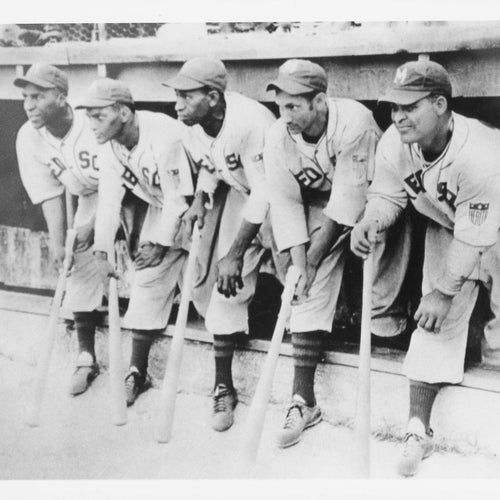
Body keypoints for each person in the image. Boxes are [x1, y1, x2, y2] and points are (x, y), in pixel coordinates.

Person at [351, 59, 500, 476]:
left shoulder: (481, 153)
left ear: (439, 104)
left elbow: (478, 235)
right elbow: (387, 194)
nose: (398, 117)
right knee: (436, 322)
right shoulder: (395, 143)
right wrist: (371, 220)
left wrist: (444, 289)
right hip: (452, 223)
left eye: (409, 107)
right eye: (394, 107)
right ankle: (418, 428)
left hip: (494, 223)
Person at [264, 58, 401, 448]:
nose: (284, 114)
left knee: (380, 280)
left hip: (379, 197)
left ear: (319, 101)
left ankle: (388, 337)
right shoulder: (278, 134)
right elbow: (285, 203)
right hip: (320, 203)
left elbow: (348, 201)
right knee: (302, 285)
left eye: (293, 106)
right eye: (280, 105)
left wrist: (310, 258)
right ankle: (302, 400)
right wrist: (300, 263)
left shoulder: (353, 121)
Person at [163, 58, 276, 432]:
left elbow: (267, 189)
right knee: (222, 286)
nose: (176, 104)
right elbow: (212, 165)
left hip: (287, 200)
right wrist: (199, 197)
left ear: (213, 96)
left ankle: (299, 395)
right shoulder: (195, 126)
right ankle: (223, 386)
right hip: (248, 195)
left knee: (297, 281)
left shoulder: (250, 121)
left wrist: (235, 251)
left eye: (185, 95)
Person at [76, 77, 194, 406]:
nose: (92, 124)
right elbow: (110, 200)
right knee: (145, 278)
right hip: (165, 206)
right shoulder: (111, 144)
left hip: (205, 203)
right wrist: (102, 251)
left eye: (99, 115)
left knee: (206, 289)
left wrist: (160, 241)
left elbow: (179, 198)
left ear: (124, 113)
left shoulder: (163, 134)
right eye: (89, 116)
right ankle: (136, 371)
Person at [15, 63, 105, 396]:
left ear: (63, 97)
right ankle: (86, 357)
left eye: (37, 96)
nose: (28, 105)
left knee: (150, 259)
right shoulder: (29, 137)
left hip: (130, 193)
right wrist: (58, 244)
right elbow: (50, 194)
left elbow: (119, 182)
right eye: (25, 97)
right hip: (90, 197)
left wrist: (100, 227)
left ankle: (138, 366)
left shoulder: (91, 120)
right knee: (76, 261)